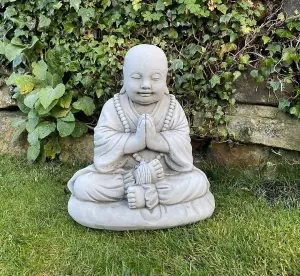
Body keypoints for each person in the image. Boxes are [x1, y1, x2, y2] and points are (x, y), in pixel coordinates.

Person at [68, 44, 214, 220]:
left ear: (166, 79)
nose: (146, 85)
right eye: (137, 77)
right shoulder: (113, 107)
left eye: (155, 78)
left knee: (196, 183)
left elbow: (182, 144)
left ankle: (151, 195)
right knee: (84, 185)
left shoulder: (173, 108)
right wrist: (135, 142)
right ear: (124, 78)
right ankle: (138, 192)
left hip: (164, 177)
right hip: (124, 177)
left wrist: (157, 141)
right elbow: (104, 142)